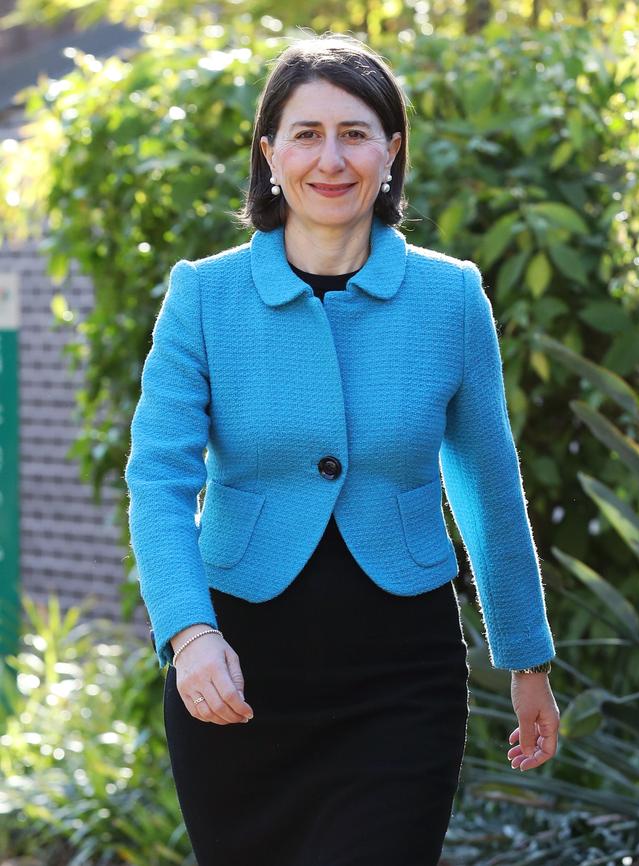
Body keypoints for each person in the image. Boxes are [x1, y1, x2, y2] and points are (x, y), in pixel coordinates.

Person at [124, 32, 560, 866]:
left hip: (401, 677)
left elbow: (487, 483)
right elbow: (160, 477)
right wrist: (188, 633)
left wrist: (527, 658)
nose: (332, 158)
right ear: (270, 153)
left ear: (391, 152)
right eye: (307, 133)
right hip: (238, 669)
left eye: (356, 133)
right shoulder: (204, 296)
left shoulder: (450, 296)